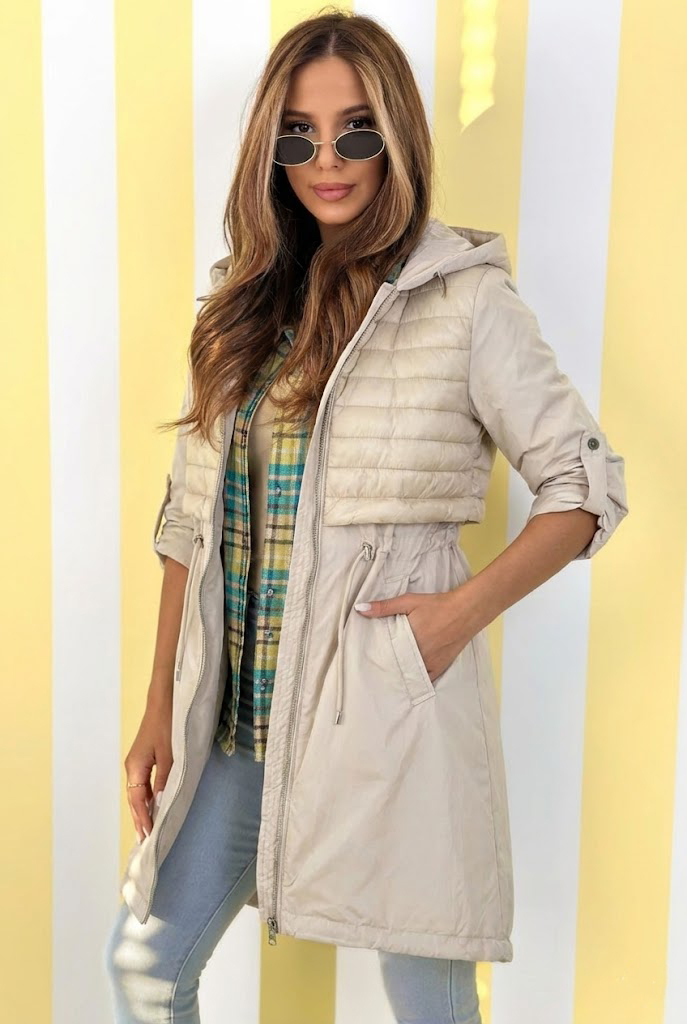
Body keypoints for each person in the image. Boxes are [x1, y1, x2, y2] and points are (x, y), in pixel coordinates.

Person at [104, 9, 629, 1023]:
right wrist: (159, 702)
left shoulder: (463, 302)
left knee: (430, 1001)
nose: (327, 161)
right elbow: (188, 520)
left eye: (355, 130)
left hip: (387, 725)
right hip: (240, 729)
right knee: (145, 969)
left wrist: (452, 620)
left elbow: (583, 486)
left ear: (396, 137)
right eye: (298, 135)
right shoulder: (240, 307)